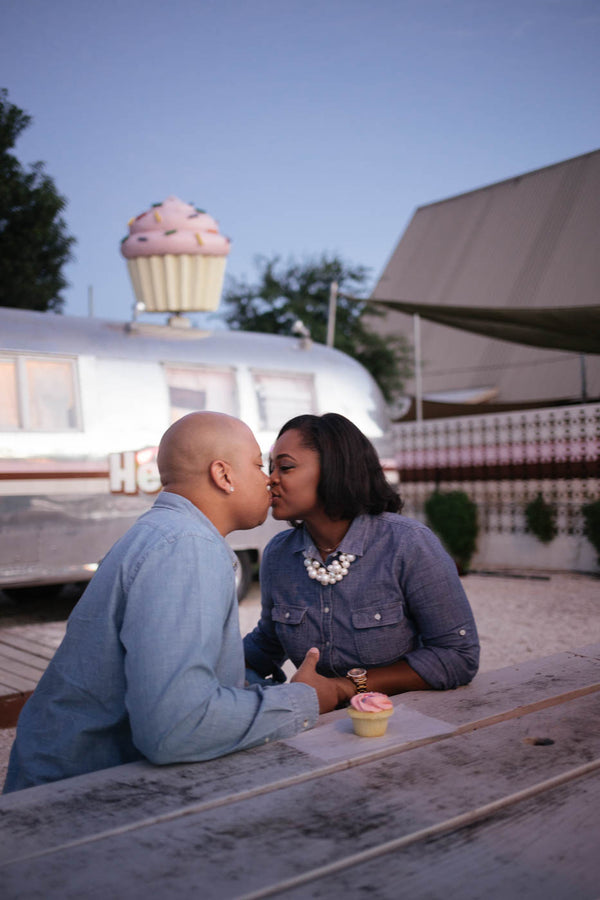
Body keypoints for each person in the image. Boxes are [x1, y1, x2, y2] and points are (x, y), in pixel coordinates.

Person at [3, 412, 337, 794]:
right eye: (259, 465)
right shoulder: (186, 548)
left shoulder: (170, 535)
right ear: (223, 475)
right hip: (70, 806)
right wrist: (305, 699)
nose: (269, 479)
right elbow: (177, 728)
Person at [244, 413, 480, 707]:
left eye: (286, 467)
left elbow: (458, 656)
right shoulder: (279, 554)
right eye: (270, 467)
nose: (271, 479)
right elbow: (268, 642)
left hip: (407, 725)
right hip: (324, 733)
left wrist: (344, 688)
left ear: (334, 469)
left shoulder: (407, 543)